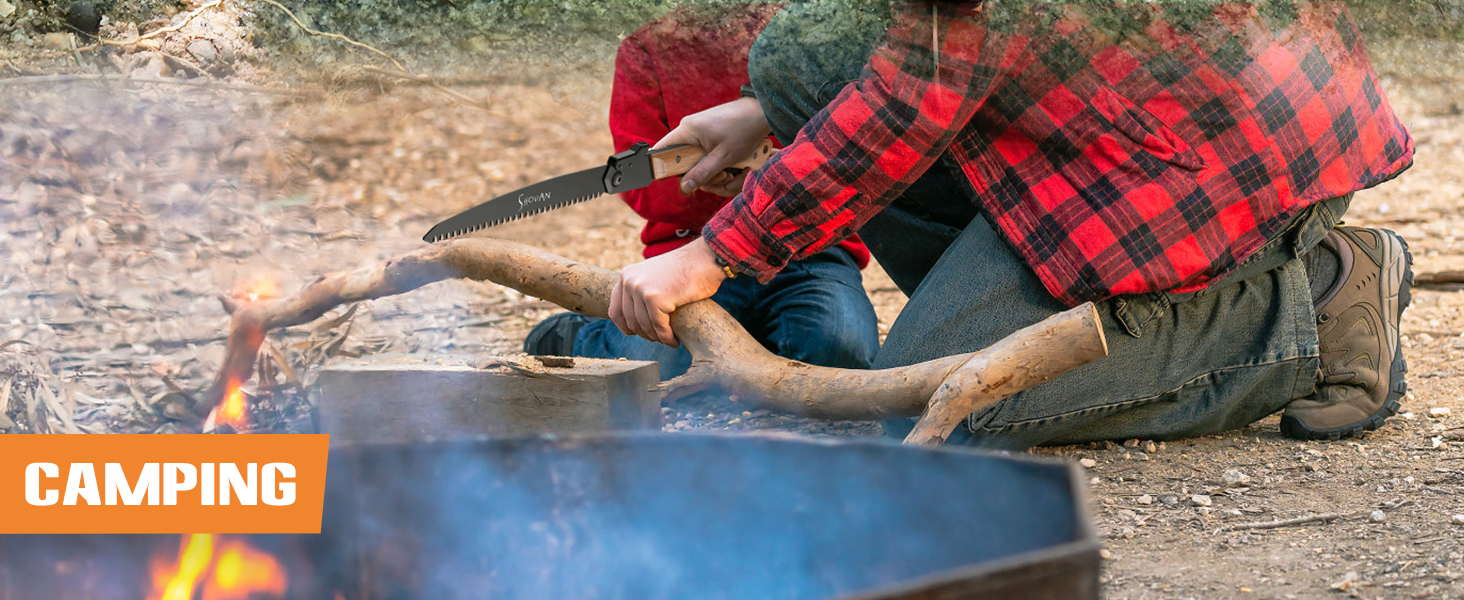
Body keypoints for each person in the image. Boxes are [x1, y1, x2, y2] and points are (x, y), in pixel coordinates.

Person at [603, 1, 1416, 447]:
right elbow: (937, 44)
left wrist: (719, 251)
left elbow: (915, 93)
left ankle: (1315, 295)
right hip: (1134, 119)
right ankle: (1060, 311)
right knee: (799, 56)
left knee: (950, 409)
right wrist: (771, 112)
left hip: (1229, 163)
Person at [525, 4, 880, 380]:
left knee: (840, 349)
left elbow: (846, 151)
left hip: (809, 252)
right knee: (650, 362)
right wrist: (717, 183)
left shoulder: (814, 35)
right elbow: (644, 191)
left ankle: (749, 354)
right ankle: (583, 337)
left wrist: (770, 183)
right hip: (683, 258)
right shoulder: (646, 49)